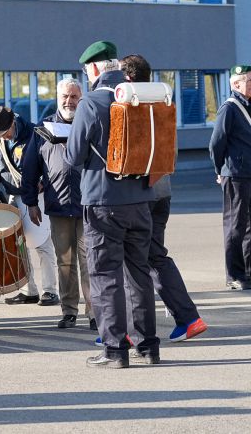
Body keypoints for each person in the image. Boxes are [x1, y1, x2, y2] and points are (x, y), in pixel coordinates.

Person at [65, 41, 159, 368]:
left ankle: (115, 350)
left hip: (104, 201)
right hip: (141, 199)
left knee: (105, 277)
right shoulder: (142, 96)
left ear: (93, 69)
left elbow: (74, 156)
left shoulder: (91, 101)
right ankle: (148, 347)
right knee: (139, 275)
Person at [119, 55, 207, 342]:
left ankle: (130, 333)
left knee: (131, 261)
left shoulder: (127, 104)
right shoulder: (163, 100)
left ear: (128, 78)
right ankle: (189, 318)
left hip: (138, 193)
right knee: (156, 256)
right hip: (162, 190)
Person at [21, 79, 94, 330]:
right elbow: (29, 168)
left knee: (89, 260)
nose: (69, 101)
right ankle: (69, 311)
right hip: (58, 206)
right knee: (65, 261)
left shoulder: (90, 124)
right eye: (65, 96)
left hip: (88, 206)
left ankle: (94, 313)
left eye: (74, 97)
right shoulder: (42, 130)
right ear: (57, 97)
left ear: (81, 98)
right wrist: (30, 202)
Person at [0, 106, 59, 307]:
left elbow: (47, 162)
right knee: (18, 244)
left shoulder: (34, 133)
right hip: (12, 192)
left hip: (36, 194)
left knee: (42, 242)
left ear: (13, 123)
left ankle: (50, 291)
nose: (4, 137)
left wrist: (43, 180)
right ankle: (29, 290)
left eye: (5, 132)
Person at [209, 64, 251, 291]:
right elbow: (216, 143)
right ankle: (234, 275)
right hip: (235, 174)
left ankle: (247, 271)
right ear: (236, 84)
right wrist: (219, 170)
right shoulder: (230, 108)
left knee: (249, 227)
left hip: (248, 173)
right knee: (235, 226)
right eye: (250, 81)